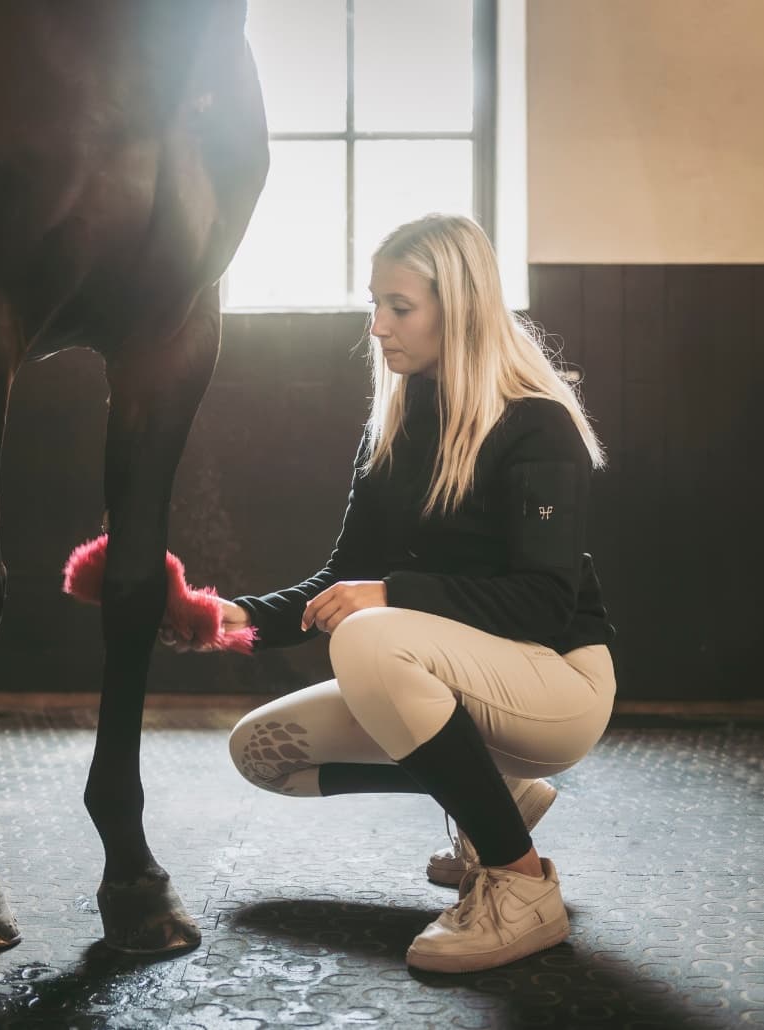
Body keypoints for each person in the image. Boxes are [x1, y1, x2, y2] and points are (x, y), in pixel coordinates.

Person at [164, 213, 616, 974]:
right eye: (374, 305)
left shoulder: (539, 428)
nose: (377, 327)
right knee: (263, 754)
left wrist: (390, 593)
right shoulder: (392, 431)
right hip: (457, 680)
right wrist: (227, 619)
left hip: (558, 683)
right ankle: (497, 800)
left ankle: (520, 882)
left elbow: (541, 601)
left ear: (460, 306)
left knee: (368, 635)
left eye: (398, 307)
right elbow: (340, 579)